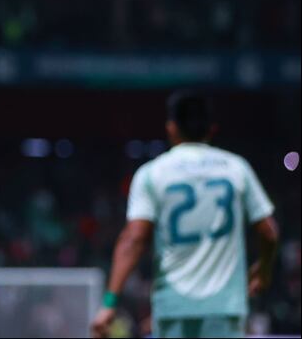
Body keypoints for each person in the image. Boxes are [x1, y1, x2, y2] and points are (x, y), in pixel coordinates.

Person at [92, 92, 279, 339]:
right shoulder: (237, 168)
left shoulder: (152, 173)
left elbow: (134, 239)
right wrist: (263, 269)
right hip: (224, 307)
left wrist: (109, 302)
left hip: (173, 306)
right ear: (212, 129)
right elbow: (268, 232)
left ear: (171, 128)